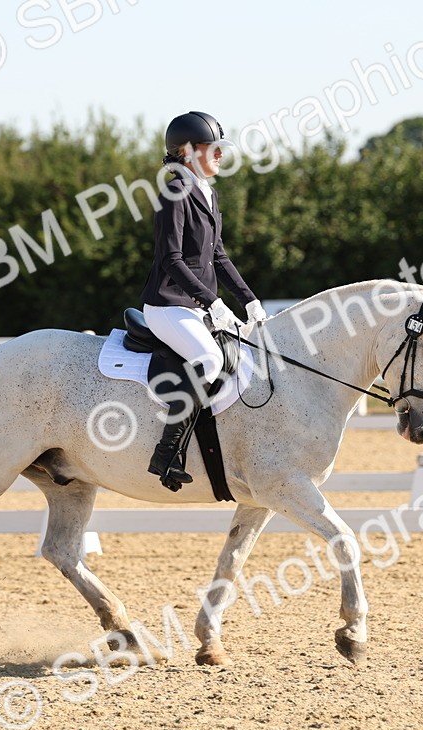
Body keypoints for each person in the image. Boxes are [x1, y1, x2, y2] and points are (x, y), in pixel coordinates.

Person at [139, 111, 267, 491]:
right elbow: (172, 260)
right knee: (209, 359)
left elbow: (219, 256)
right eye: (214, 149)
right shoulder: (174, 193)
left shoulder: (208, 194)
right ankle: (166, 452)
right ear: (187, 151)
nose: (221, 156)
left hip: (194, 305)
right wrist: (211, 301)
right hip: (167, 305)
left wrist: (248, 300)